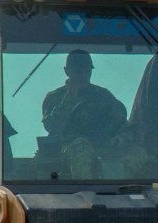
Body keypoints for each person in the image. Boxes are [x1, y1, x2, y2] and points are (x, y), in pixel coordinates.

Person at [41, 49, 147, 179]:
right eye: (77, 70)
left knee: (138, 153)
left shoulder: (103, 95)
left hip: (103, 145)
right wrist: (70, 96)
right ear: (67, 71)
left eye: (86, 70)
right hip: (67, 148)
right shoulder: (55, 97)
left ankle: (113, 185)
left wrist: (116, 140)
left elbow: (121, 126)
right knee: (80, 146)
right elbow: (52, 127)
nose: (82, 75)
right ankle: (85, 189)